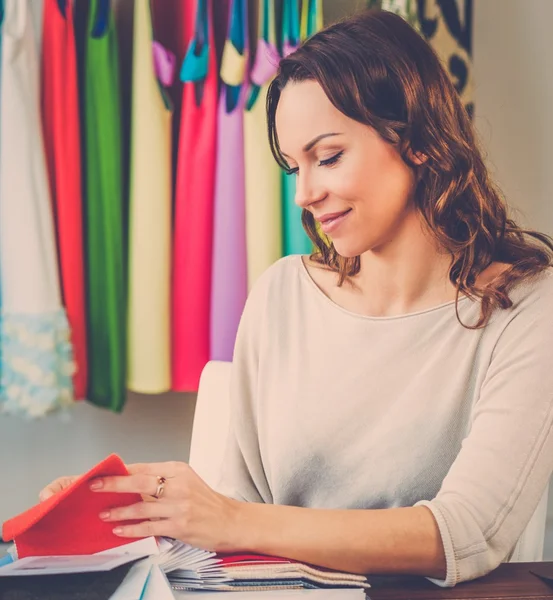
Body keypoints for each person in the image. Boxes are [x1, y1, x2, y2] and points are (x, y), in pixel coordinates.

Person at [40, 9, 553, 588]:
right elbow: (237, 518)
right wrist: (143, 511)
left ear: (415, 141)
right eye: (292, 167)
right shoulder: (282, 294)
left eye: (328, 156)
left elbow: (469, 531)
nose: (304, 194)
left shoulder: (527, 305)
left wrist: (229, 519)